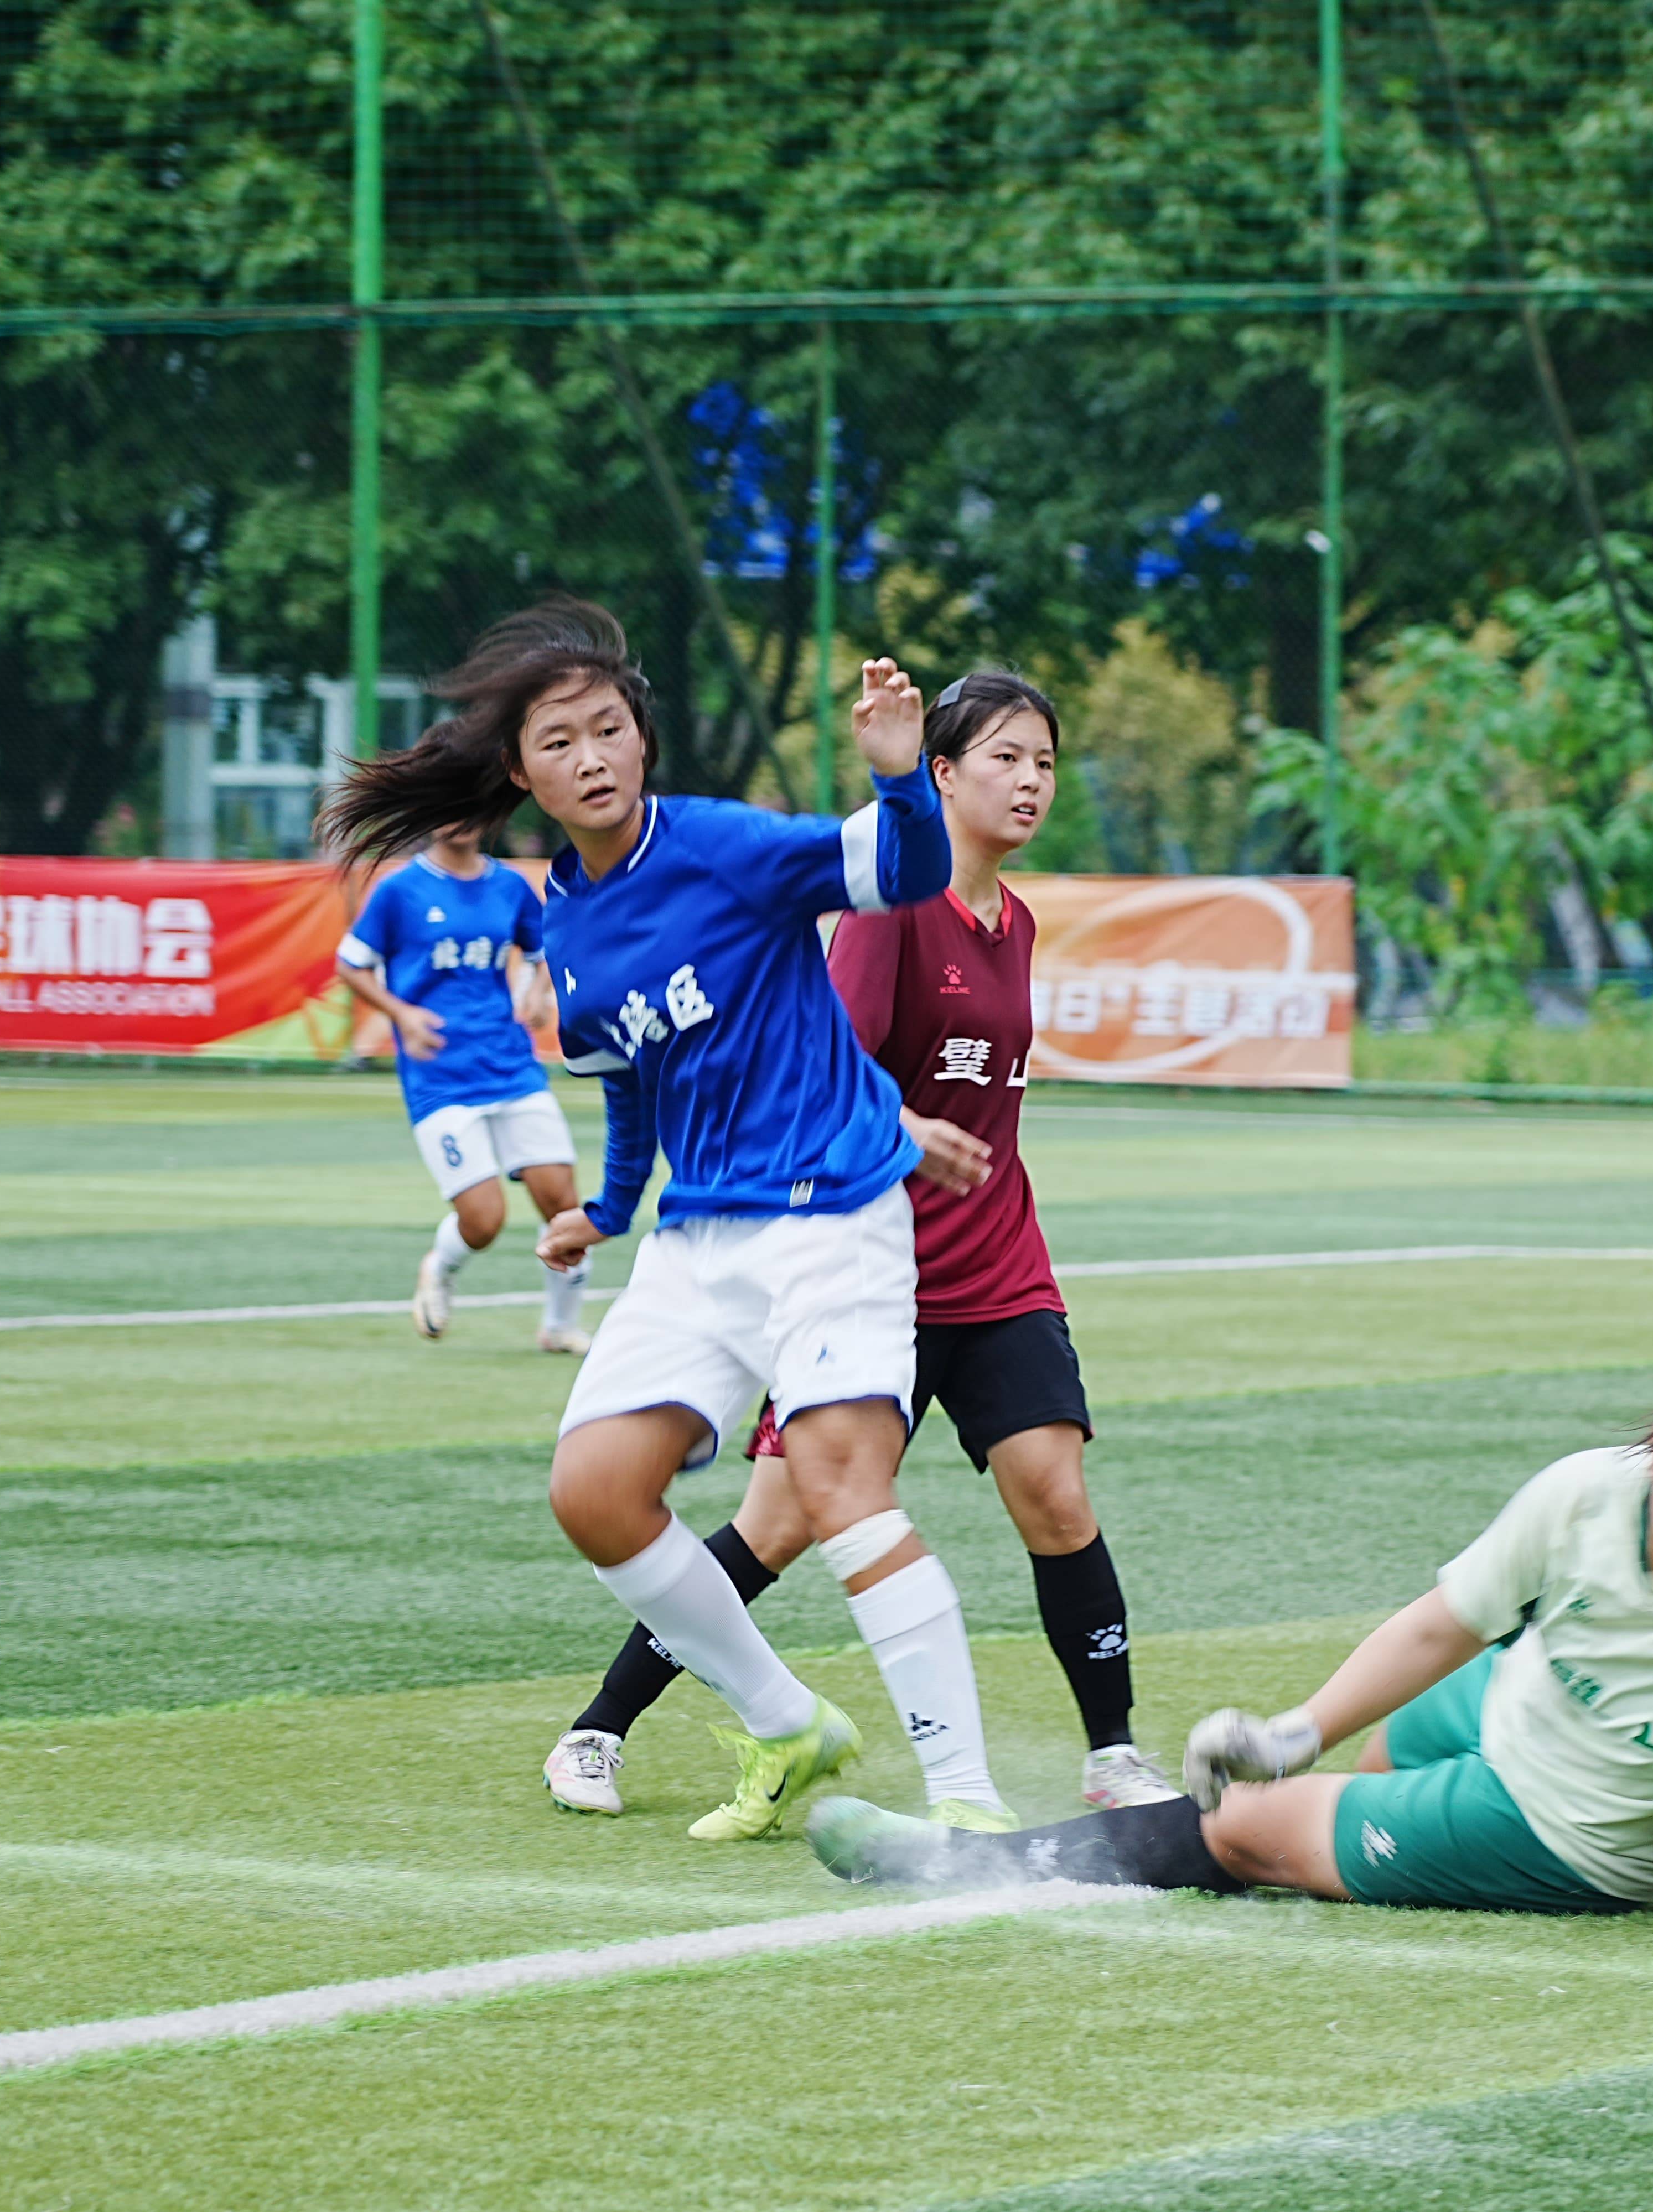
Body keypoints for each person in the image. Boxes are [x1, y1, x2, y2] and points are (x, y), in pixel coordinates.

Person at [319, 597, 1020, 1844]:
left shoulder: (723, 844)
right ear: (520, 773)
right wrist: (604, 1207)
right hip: (696, 1239)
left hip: (829, 1213)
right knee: (594, 1491)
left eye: (608, 729)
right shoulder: (566, 920)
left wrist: (899, 773)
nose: (590, 757)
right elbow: (630, 1085)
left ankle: (968, 1800)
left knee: (840, 1485)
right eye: (558, 742)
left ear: (642, 736)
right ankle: (787, 1719)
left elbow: (905, 870)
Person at [805, 1358, 1653, 1982]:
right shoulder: (1587, 1492)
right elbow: (1444, 1625)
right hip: (1522, 1698)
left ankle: (968, 1862)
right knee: (1347, 1768)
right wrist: (1298, 1729)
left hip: (1572, 1828)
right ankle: (1332, 1832)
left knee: (1248, 1827)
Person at [545, 672, 1172, 1820]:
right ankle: (603, 1722)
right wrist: (895, 1125)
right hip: (854, 1256)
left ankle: (1113, 1756)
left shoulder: (1016, 922)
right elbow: (821, 1051)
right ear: (942, 774)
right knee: (778, 1523)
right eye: (1005, 758)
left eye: (1043, 761)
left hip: (995, 1268)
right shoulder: (891, 917)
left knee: (1055, 1494)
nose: (1031, 781)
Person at [331, 808, 591, 1352]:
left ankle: (560, 1326)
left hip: (512, 1067)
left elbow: (546, 948)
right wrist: (402, 1015)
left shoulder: (509, 886)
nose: (463, 817)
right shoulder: (399, 891)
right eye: (450, 804)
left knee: (563, 1204)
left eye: (473, 804)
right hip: (440, 1077)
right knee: (483, 1220)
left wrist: (538, 991)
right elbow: (351, 964)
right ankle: (441, 1268)